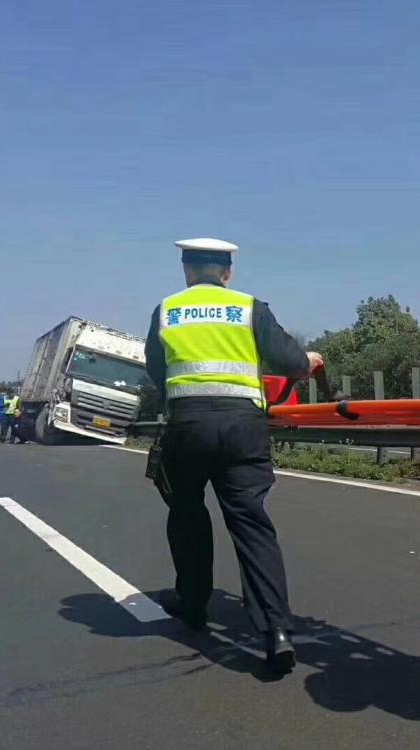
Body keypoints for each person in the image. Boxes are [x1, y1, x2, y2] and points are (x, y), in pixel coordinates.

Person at [144, 237, 322, 673]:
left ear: (187, 271)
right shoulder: (249, 308)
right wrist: (309, 360)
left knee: (187, 514)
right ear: (228, 272)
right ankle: (276, 629)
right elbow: (290, 361)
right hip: (243, 429)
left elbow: (155, 368)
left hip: (187, 426)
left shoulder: (167, 310)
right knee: (250, 522)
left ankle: (192, 604)